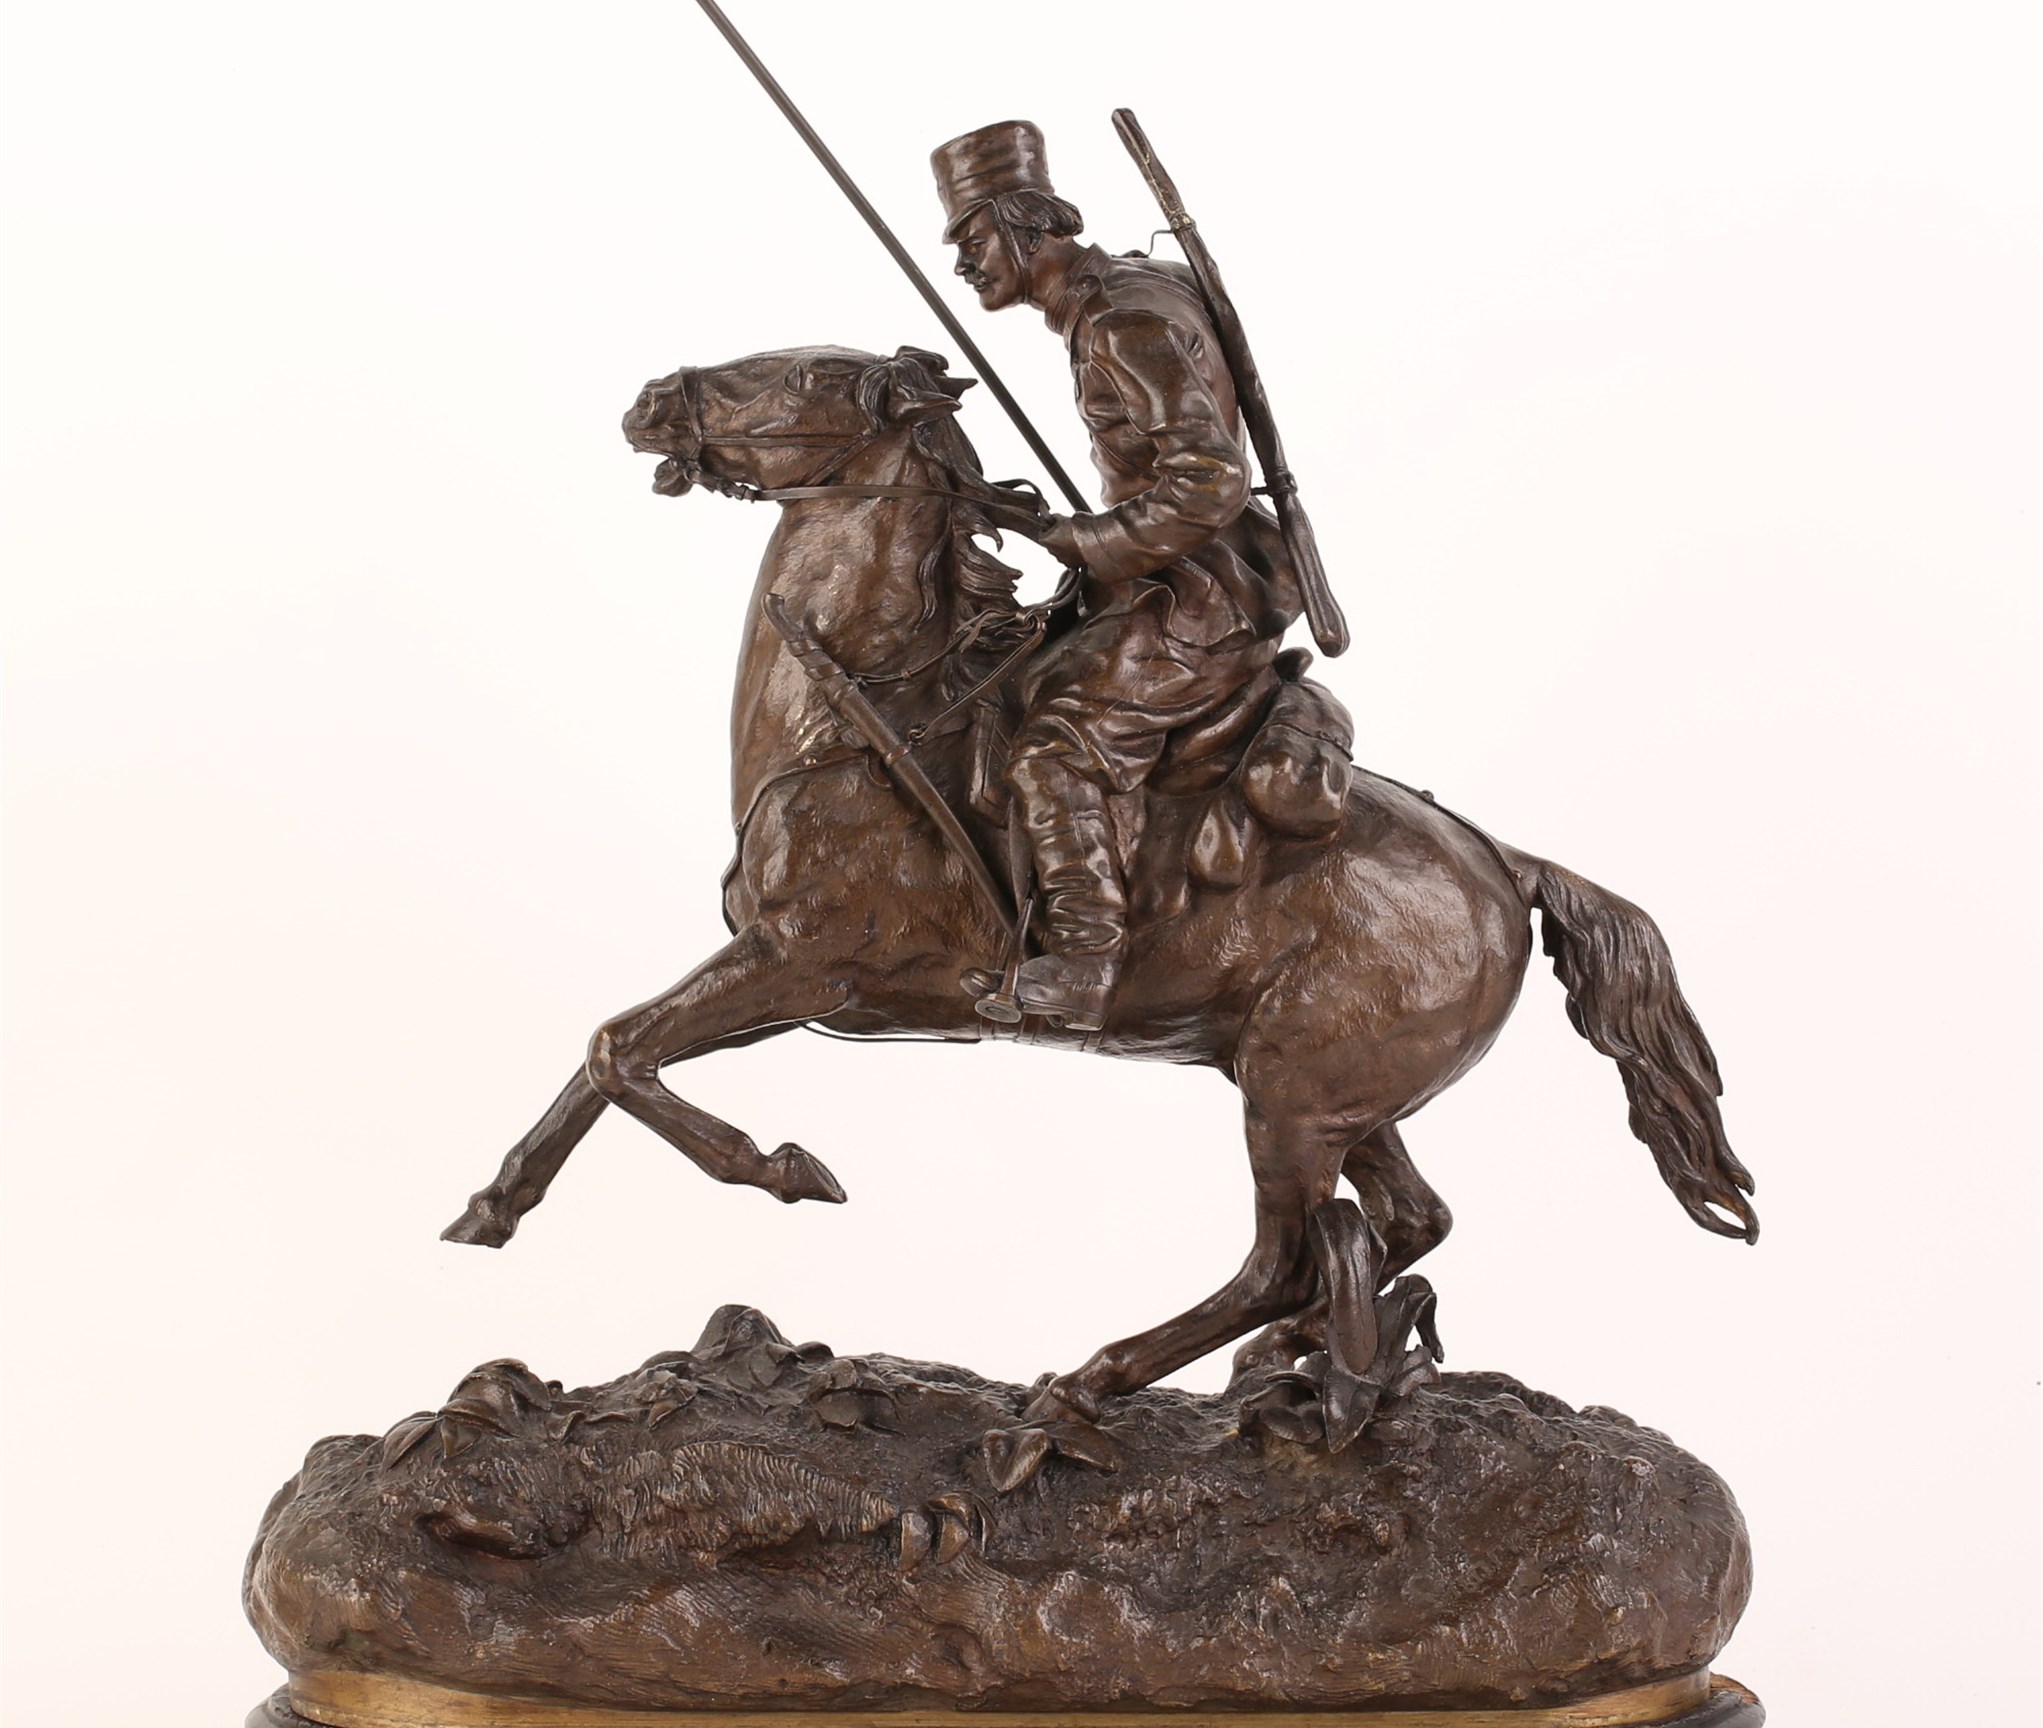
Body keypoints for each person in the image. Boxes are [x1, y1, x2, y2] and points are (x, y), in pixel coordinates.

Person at [932, 120, 1302, 1031]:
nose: (963, 266)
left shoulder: (1121, 320)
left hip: (1202, 594)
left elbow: (1208, 481)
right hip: (1163, 573)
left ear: (1024, 226)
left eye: (973, 240)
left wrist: (1083, 538)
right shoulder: (1120, 294)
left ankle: (1089, 960)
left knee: (1053, 748)